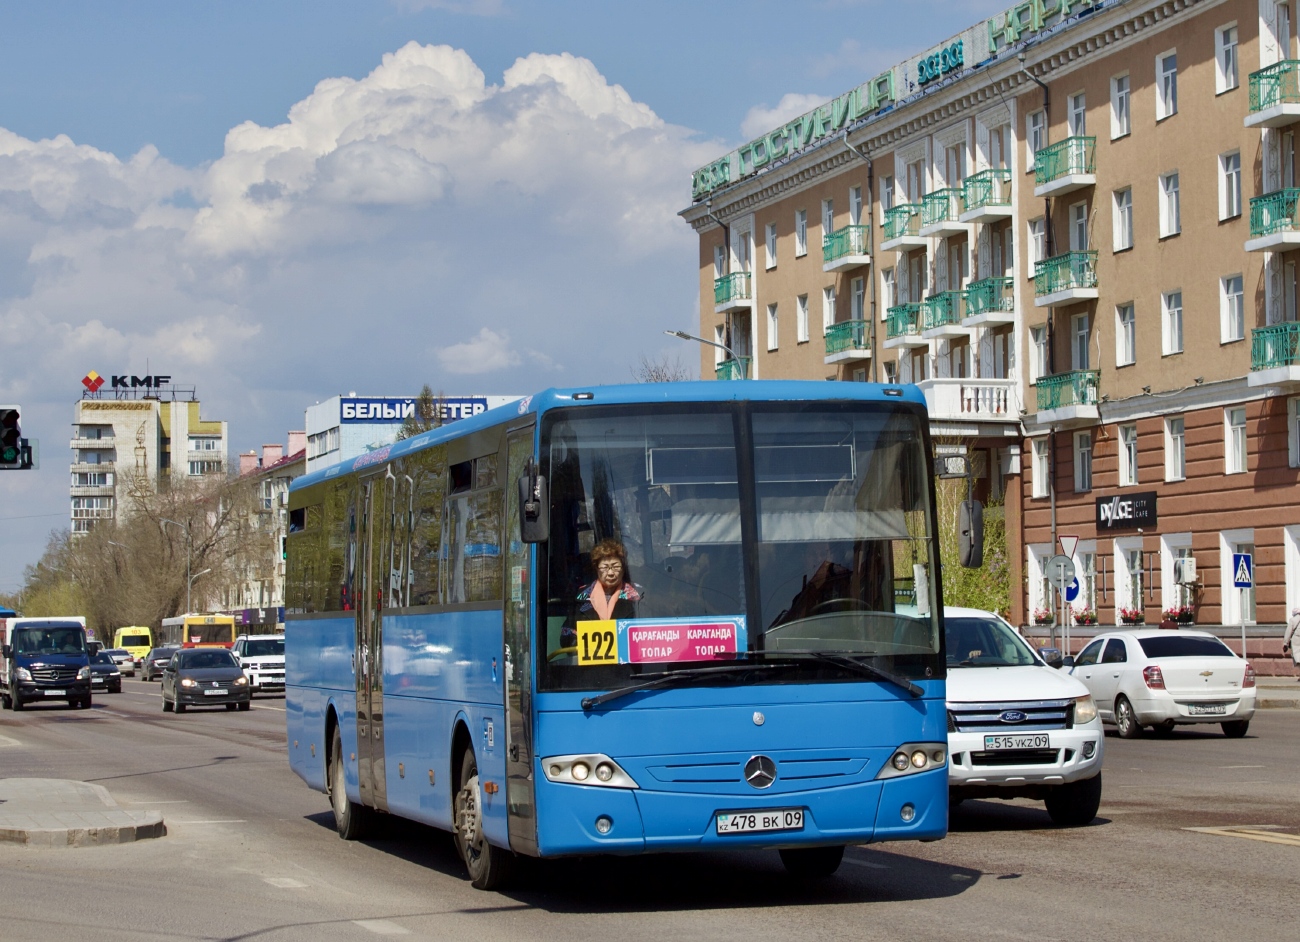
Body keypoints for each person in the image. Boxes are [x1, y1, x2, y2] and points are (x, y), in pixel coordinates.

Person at [561, 538, 643, 648]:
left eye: (616, 566)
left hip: (626, 663)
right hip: (589, 662)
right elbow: (566, 636)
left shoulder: (638, 595)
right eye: (604, 567)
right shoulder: (581, 596)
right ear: (596, 569)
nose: (610, 573)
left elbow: (646, 634)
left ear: (623, 568)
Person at [1284, 606, 1300, 674]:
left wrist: (1285, 643)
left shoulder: (1292, 620)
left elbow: (1288, 632)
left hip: (1296, 640)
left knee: (1298, 658)